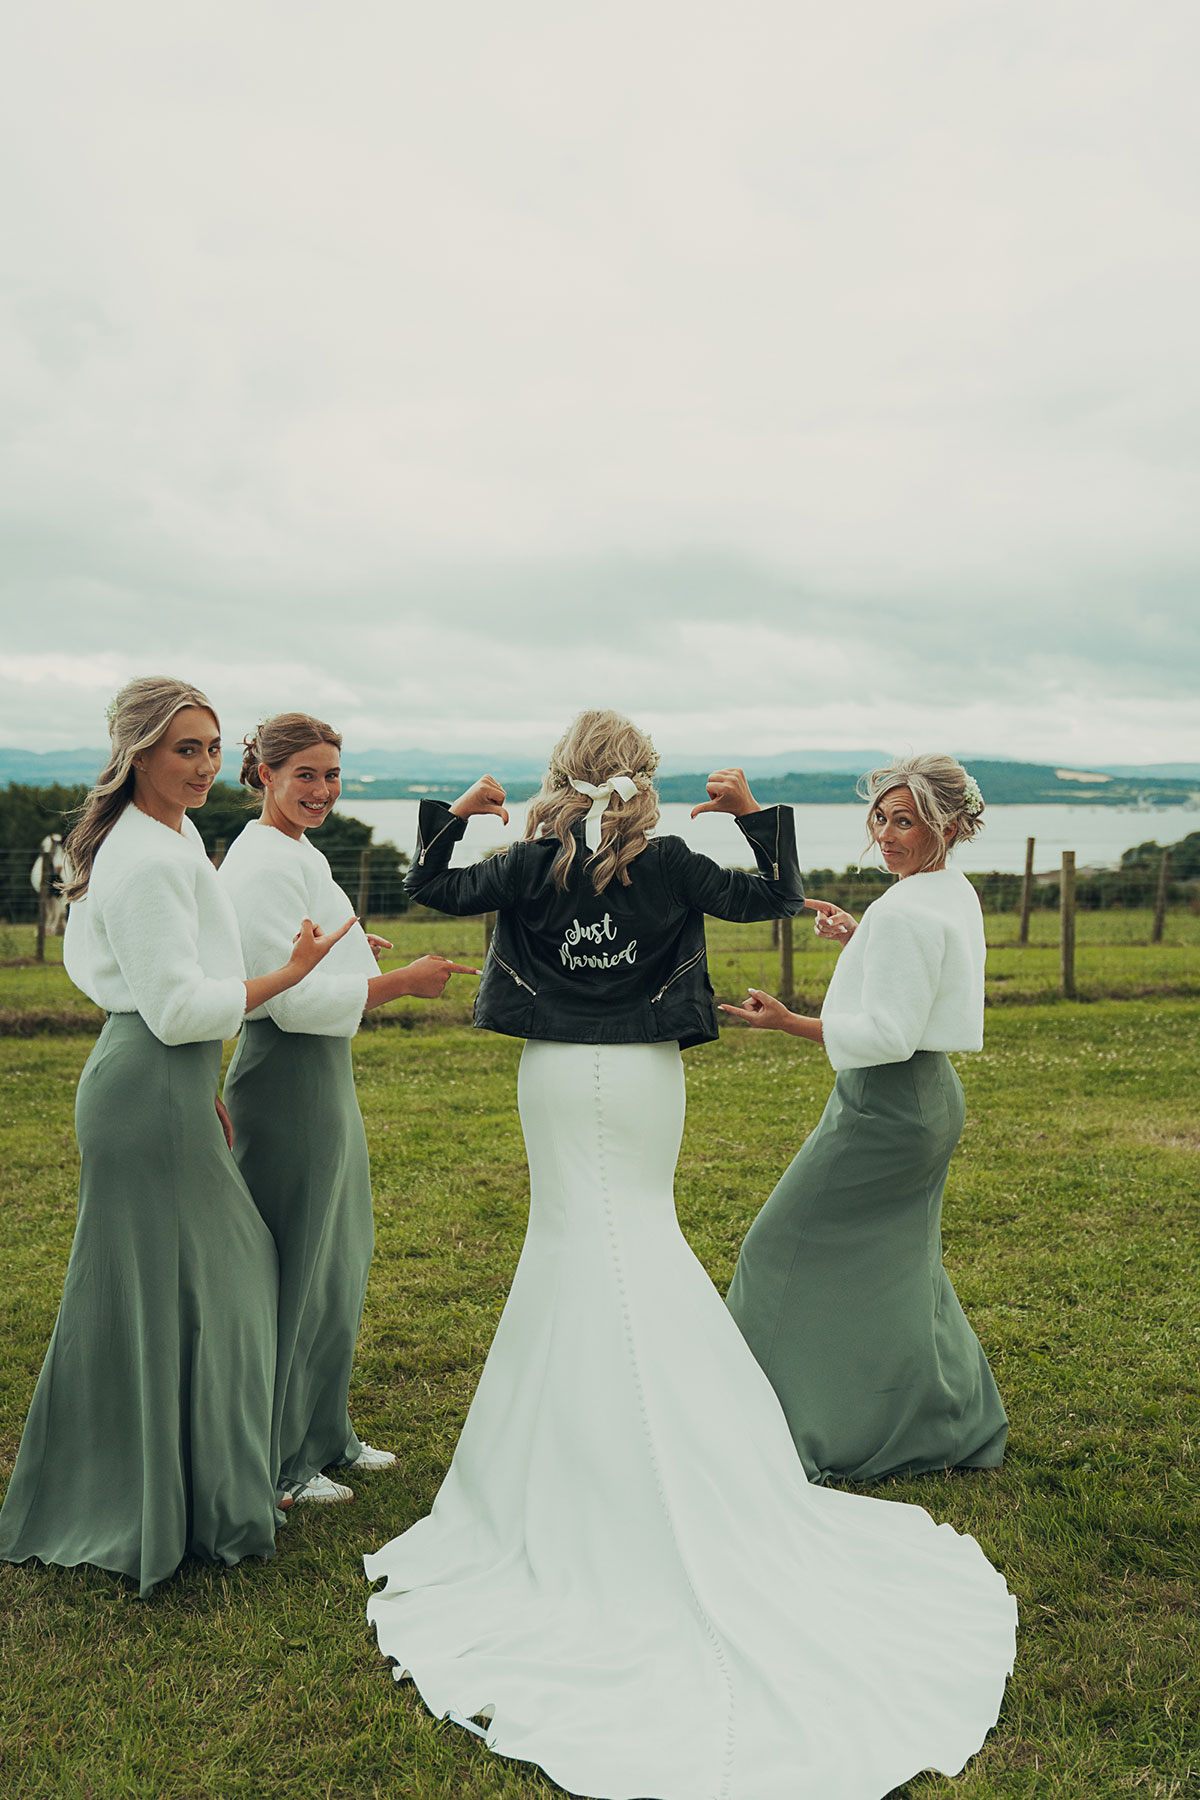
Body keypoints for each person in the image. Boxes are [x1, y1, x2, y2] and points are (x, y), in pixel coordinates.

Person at [364, 712, 1016, 1800]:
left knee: (572, 1238)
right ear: (644, 783)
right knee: (639, 1235)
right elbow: (773, 897)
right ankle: (689, 1440)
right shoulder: (667, 861)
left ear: (560, 778)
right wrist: (755, 816)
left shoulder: (527, 863)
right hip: (646, 1074)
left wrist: (457, 815)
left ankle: (580, 1459)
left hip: (555, 1076)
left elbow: (433, 888)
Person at [0, 677, 355, 1597]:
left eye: (210, 748)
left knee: (175, 1296)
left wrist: (197, 1087)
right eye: (183, 750)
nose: (203, 767)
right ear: (137, 756)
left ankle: (188, 1491)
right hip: (147, 1086)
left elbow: (108, 973)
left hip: (167, 1086)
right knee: (222, 1286)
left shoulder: (168, 835)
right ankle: (197, 1501)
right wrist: (290, 974)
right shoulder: (147, 856)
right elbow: (178, 1008)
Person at [722, 754, 1009, 1485]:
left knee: (775, 1249)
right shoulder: (948, 891)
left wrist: (787, 1022)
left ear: (948, 826)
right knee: (901, 1263)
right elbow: (923, 979)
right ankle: (940, 1417)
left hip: (884, 1106)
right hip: (929, 1097)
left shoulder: (906, 910)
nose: (885, 834)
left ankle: (767, 1423)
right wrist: (862, 937)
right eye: (880, 818)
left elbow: (888, 1034)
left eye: (904, 821)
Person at [218, 713, 476, 1504]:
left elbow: (310, 953)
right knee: (298, 1266)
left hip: (322, 1074)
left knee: (338, 1260)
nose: (323, 790)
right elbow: (287, 1000)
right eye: (306, 775)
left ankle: (326, 1433)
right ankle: (283, 1463)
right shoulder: (261, 861)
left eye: (332, 775)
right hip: (285, 1076)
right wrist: (400, 984)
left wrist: (362, 954)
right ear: (265, 774)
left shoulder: (297, 850)